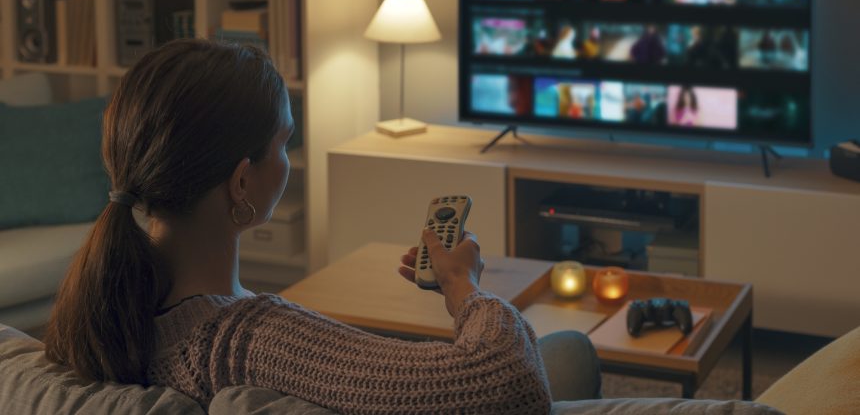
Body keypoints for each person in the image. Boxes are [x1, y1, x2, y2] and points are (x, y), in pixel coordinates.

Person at [42, 40, 600, 413]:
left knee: (562, 350)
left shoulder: (100, 304)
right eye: (285, 142)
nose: (288, 157)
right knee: (568, 351)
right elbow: (507, 382)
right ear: (242, 184)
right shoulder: (244, 340)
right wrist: (462, 288)